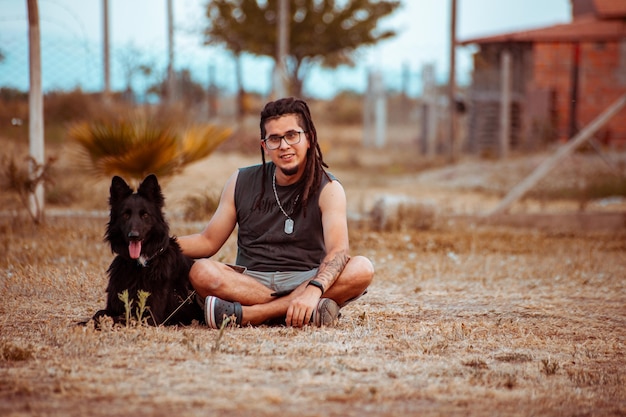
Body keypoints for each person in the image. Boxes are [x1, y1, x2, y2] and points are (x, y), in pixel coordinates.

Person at [178, 97, 374, 328]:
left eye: (292, 135)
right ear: (265, 146)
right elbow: (207, 241)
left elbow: (338, 252)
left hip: (305, 278)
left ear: (309, 138)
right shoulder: (240, 180)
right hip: (249, 281)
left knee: (361, 268)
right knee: (201, 271)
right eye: (274, 139)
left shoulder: (329, 188)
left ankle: (253, 315)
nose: (284, 146)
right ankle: (302, 312)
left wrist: (314, 289)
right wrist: (155, 243)